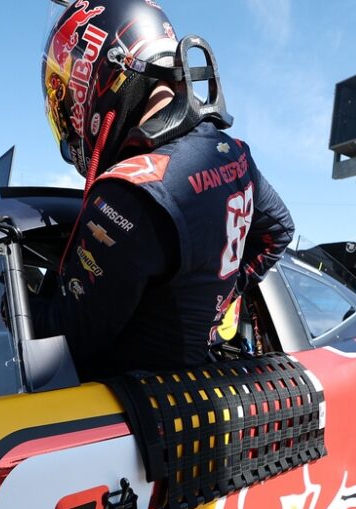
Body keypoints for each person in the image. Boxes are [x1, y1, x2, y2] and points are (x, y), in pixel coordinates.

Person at [29, 0, 293, 377]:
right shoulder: (234, 155)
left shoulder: (130, 190)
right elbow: (278, 231)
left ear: (97, 75)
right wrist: (218, 300)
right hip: (196, 386)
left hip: (137, 404)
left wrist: (7, 304)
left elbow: (67, 338)